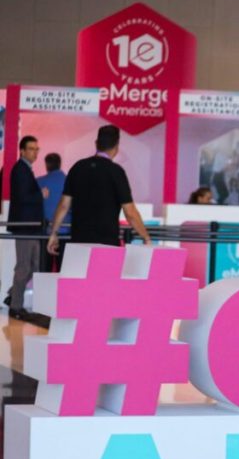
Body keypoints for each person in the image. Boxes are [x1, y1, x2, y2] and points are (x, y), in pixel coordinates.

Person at [46, 125, 152, 258]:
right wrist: (146, 238)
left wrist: (53, 233)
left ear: (96, 144)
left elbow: (63, 205)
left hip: (79, 243)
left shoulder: (78, 168)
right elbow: (130, 212)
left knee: (78, 278)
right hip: (107, 245)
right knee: (104, 279)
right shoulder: (116, 172)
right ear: (117, 147)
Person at [7, 136, 46, 320]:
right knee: (24, 267)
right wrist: (41, 195)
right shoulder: (20, 170)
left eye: (37, 149)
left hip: (31, 228)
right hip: (25, 227)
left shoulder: (25, 170)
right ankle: (15, 306)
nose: (35, 152)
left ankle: (13, 296)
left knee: (32, 266)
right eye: (31, 148)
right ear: (22, 150)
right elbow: (23, 197)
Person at [37, 152, 67, 271]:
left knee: (45, 268)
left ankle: (45, 290)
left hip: (46, 231)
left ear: (46, 165)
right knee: (64, 269)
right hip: (66, 231)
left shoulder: (39, 182)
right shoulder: (69, 181)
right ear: (60, 164)